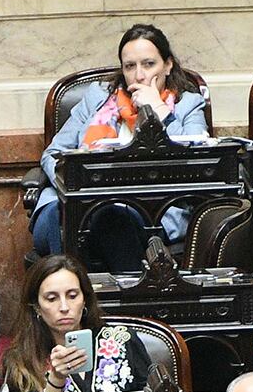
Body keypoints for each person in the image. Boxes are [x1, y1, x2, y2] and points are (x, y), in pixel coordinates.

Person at [30, 24, 214, 263]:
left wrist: (158, 109)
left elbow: (197, 158)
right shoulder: (98, 98)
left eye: (149, 64)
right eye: (130, 66)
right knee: (69, 216)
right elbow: (53, 153)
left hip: (152, 212)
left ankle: (96, 295)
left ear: (167, 65)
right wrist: (72, 185)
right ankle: (68, 292)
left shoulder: (188, 104)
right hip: (69, 209)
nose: (139, 75)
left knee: (111, 218)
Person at [0, 256, 147, 392]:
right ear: (36, 306)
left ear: (85, 299)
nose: (64, 307)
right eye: (51, 298)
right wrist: (56, 379)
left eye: (72, 296)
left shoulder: (122, 340)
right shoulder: (21, 360)